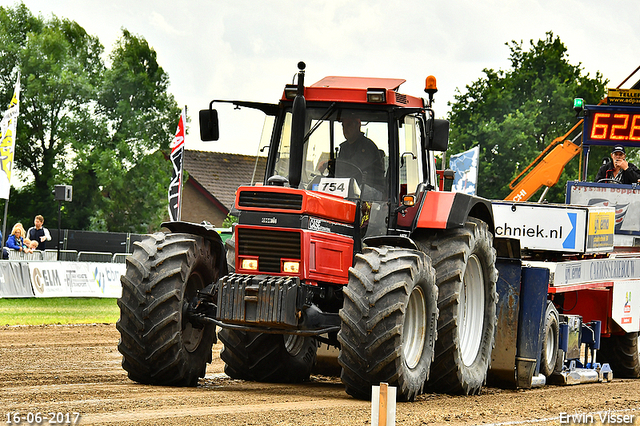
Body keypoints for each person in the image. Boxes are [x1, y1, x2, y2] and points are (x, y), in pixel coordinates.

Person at [336, 115, 385, 191]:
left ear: (358, 125)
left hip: (372, 188)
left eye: (349, 125)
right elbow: (339, 171)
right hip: (351, 187)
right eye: (343, 126)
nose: (345, 130)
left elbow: (353, 167)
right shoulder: (344, 148)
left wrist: (332, 163)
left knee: (360, 190)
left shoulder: (367, 146)